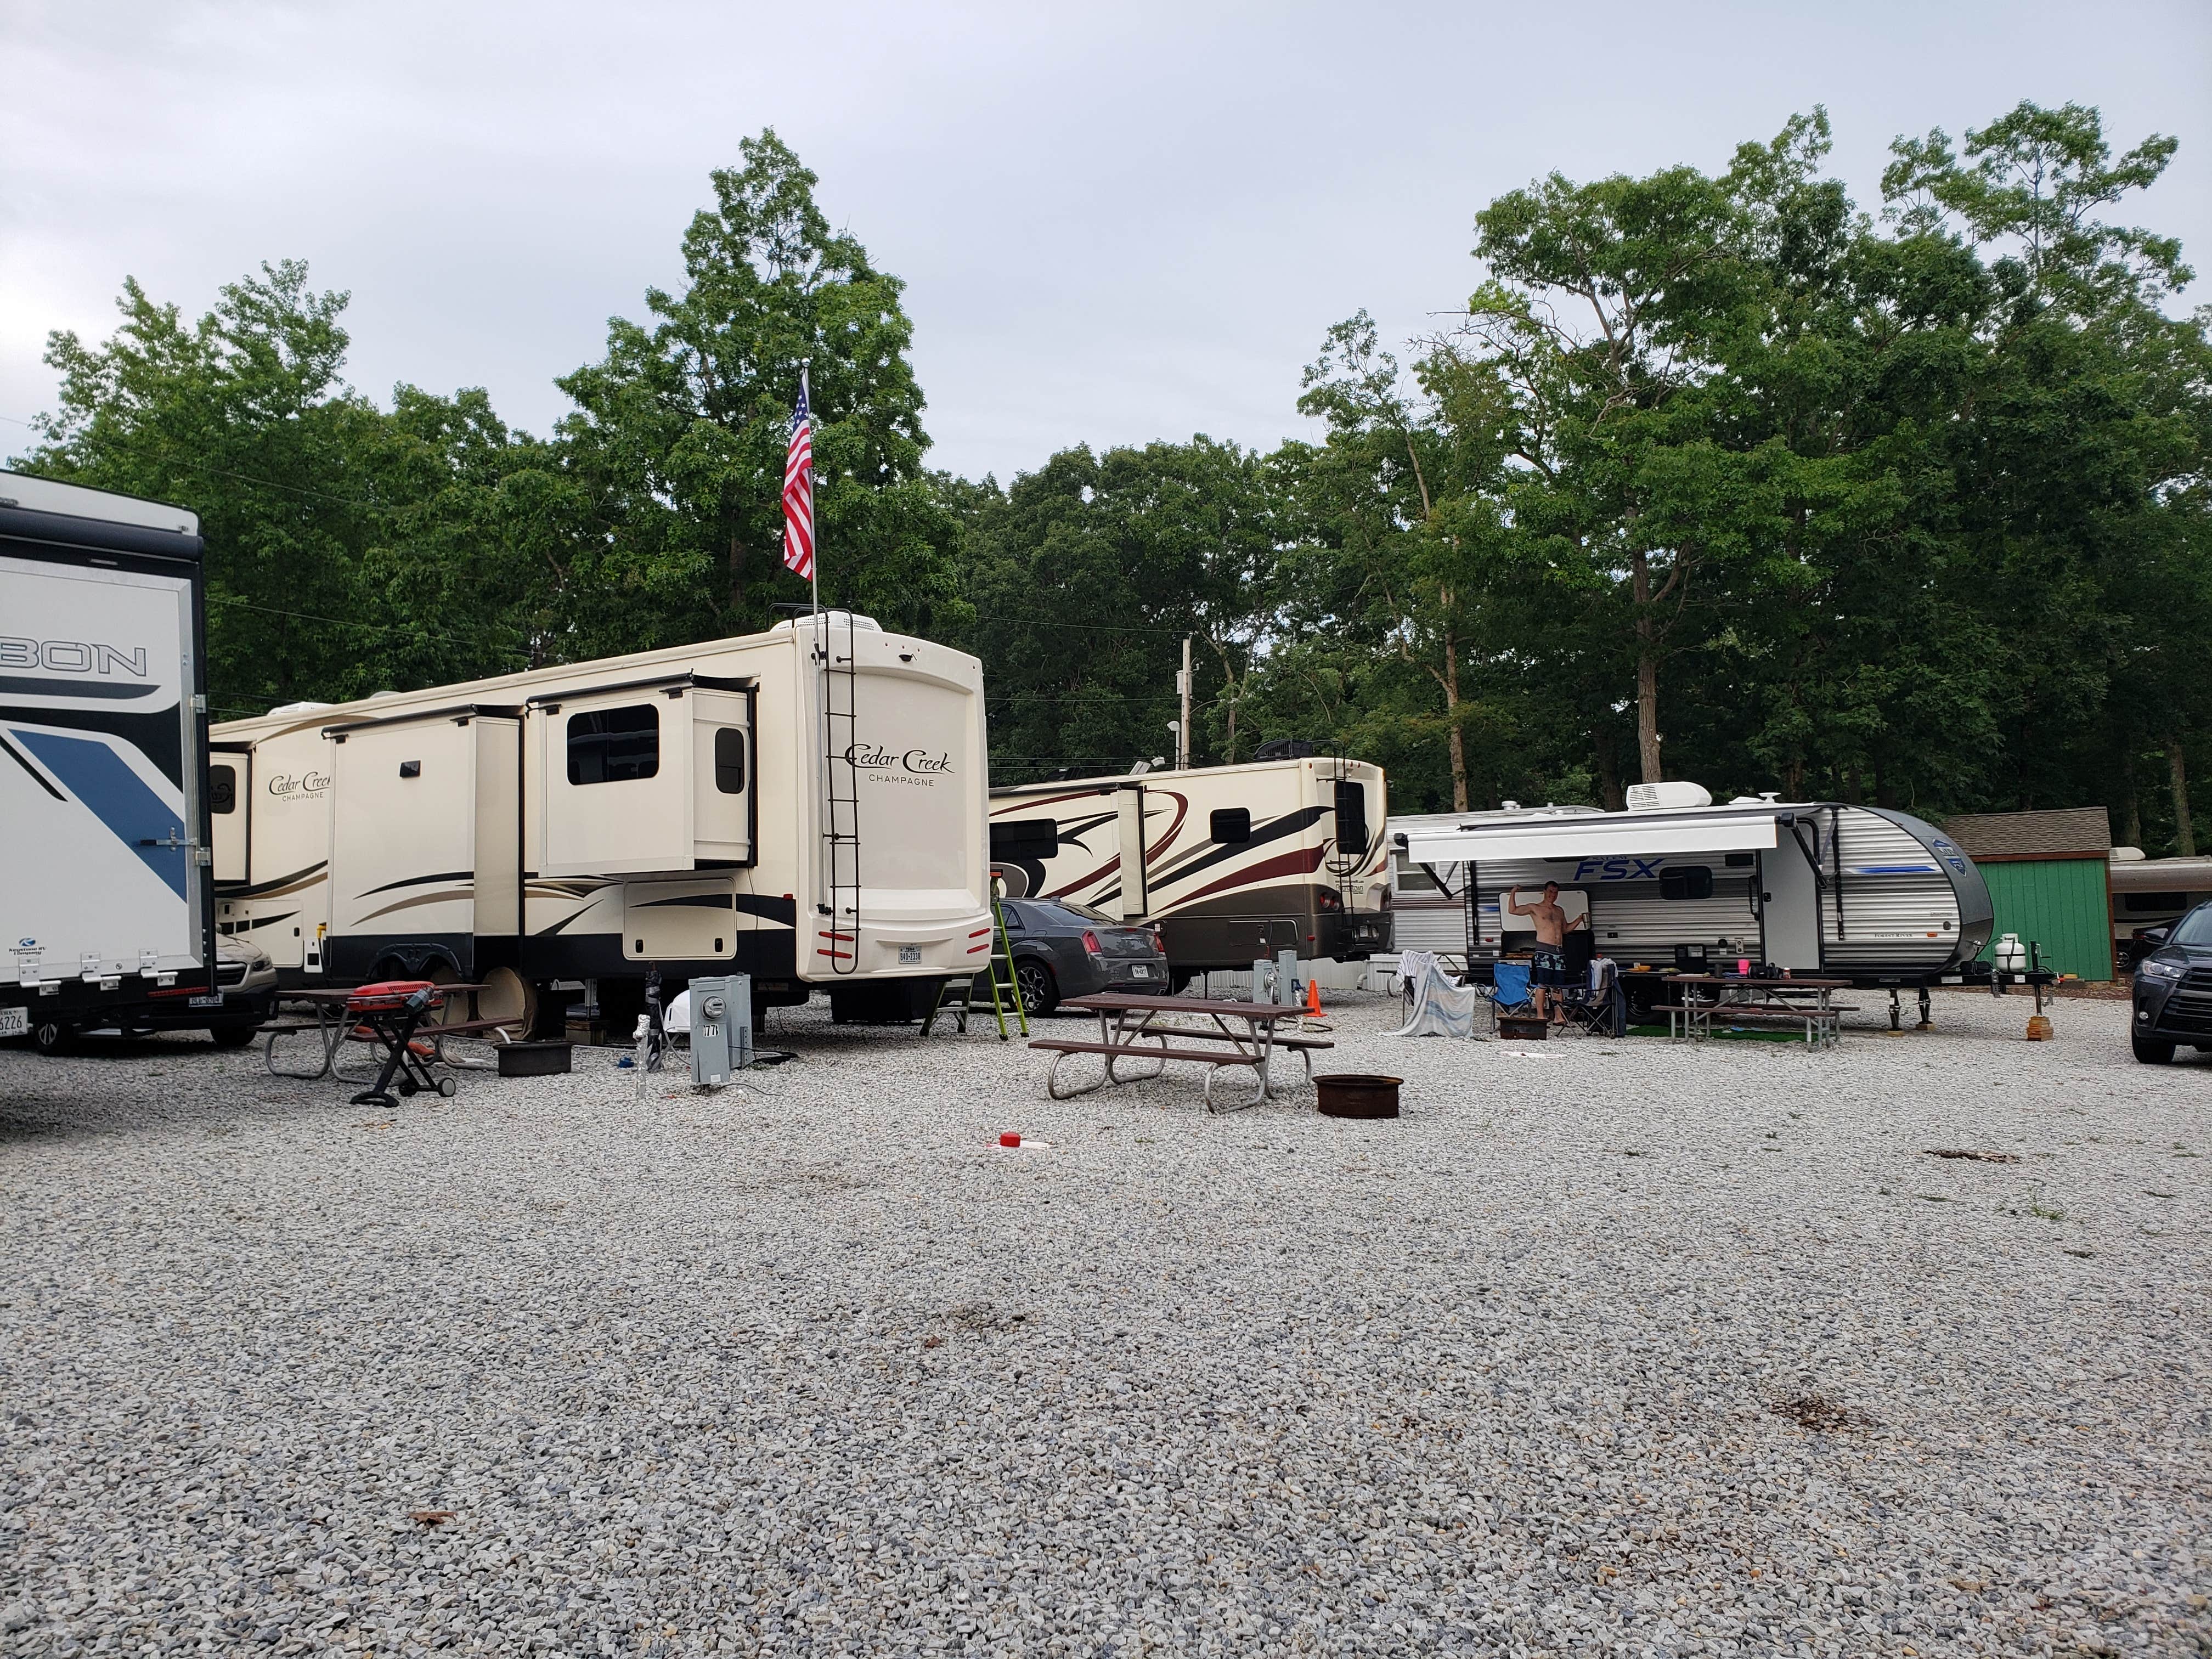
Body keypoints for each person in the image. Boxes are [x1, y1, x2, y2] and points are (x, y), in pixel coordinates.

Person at [1506, 882, 1587, 1026]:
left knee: (1558, 985)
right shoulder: (1535, 908)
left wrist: (1579, 920)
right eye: (1551, 892)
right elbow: (1513, 911)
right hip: (1544, 950)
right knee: (1542, 984)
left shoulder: (1559, 911)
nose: (1553, 895)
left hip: (1559, 952)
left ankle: (1559, 1017)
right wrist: (1513, 892)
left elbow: (1566, 929)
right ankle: (1540, 1016)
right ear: (1544, 892)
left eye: (1556, 893)